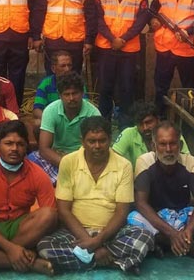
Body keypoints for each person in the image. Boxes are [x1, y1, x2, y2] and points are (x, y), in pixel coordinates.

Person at [36, 117, 152, 274]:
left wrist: (98, 240)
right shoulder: (68, 162)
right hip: (76, 233)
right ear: (82, 141)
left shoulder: (124, 165)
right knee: (44, 246)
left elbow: (122, 212)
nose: (97, 146)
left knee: (144, 235)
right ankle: (114, 261)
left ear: (110, 140)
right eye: (91, 141)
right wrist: (90, 242)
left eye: (102, 141)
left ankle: (86, 260)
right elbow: (64, 210)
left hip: (110, 233)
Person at [0, 120, 57, 275]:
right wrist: (11, 249)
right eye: (8, 143)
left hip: (21, 228)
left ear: (26, 147)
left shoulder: (38, 174)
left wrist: (12, 247)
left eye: (20, 144)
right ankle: (29, 263)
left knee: (49, 214)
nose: (14, 149)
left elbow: (52, 214)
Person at [129, 121, 194, 263]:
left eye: (173, 144)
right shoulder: (145, 161)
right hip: (157, 218)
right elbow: (141, 203)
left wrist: (189, 230)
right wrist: (172, 233)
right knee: (133, 218)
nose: (168, 149)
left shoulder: (190, 162)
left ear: (179, 145)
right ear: (153, 146)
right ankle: (188, 247)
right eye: (162, 144)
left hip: (184, 217)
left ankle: (164, 243)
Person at [94, 0, 151, 130]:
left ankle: (126, 126)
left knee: (127, 87)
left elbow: (142, 20)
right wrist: (112, 39)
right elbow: (98, 19)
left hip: (129, 48)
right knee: (105, 86)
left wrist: (123, 39)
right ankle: (104, 123)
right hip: (106, 47)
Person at [27, 71, 100, 184]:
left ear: (82, 93)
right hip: (57, 156)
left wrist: (77, 163)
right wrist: (67, 164)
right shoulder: (51, 110)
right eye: (66, 94)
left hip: (82, 158)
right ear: (60, 95)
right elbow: (44, 149)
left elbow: (95, 147)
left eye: (75, 93)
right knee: (30, 161)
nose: (71, 98)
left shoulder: (93, 113)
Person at [112, 101, 160, 170]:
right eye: (140, 124)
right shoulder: (129, 133)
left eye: (149, 122)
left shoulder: (171, 134)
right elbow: (113, 158)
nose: (145, 128)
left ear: (158, 120)